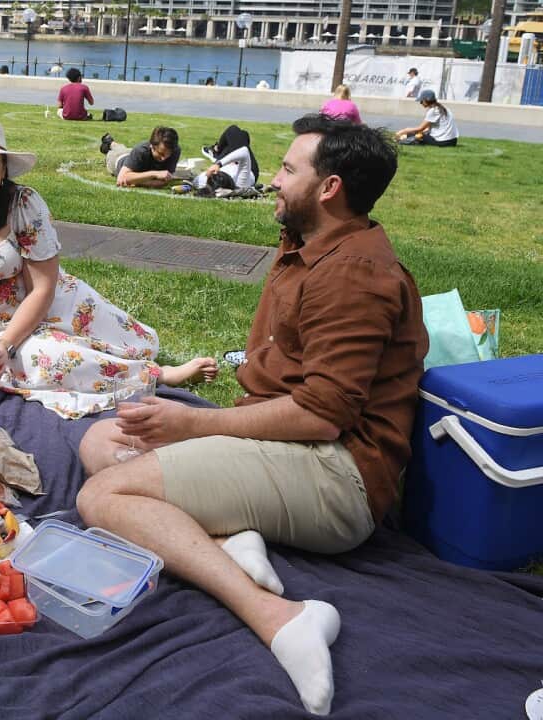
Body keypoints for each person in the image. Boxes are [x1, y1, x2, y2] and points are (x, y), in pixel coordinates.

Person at [76, 115, 427, 716]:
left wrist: (195, 424)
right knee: (103, 440)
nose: (272, 180)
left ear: (329, 188)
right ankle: (234, 534)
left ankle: (285, 618)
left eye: (289, 170)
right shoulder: (311, 247)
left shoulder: (354, 275)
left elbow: (322, 417)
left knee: (102, 499)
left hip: (336, 476)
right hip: (285, 442)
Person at [0, 115, 217, 419]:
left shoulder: (24, 204)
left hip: (45, 299)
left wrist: (9, 340)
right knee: (58, 360)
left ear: (3, 171)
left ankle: (140, 356)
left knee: (127, 337)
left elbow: (44, 287)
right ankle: (160, 376)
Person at [193, 124, 259, 193]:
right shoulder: (241, 183)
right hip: (247, 166)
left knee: (238, 136)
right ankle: (217, 150)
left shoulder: (203, 180)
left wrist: (216, 165)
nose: (218, 172)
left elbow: (193, 181)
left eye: (216, 173)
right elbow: (244, 152)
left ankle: (217, 151)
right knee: (236, 132)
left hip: (225, 162)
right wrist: (218, 164)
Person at [107, 126, 181, 188]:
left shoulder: (175, 150)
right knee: (116, 149)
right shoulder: (141, 151)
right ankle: (109, 142)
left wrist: (137, 181)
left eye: (168, 154)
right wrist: (154, 174)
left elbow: (164, 182)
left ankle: (112, 143)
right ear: (152, 146)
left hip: (132, 156)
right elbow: (122, 178)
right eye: (160, 154)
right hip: (118, 158)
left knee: (127, 150)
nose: (164, 158)